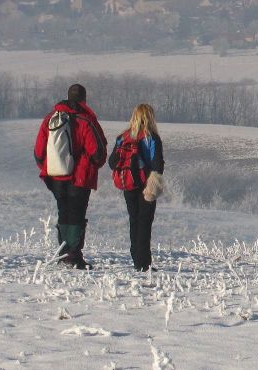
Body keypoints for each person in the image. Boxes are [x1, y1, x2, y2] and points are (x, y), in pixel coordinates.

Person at [33, 83, 107, 269]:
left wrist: (51, 169)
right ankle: (73, 256)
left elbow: (39, 151)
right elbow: (98, 152)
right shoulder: (85, 120)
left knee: (63, 213)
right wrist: (86, 166)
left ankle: (63, 253)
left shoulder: (51, 119)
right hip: (79, 178)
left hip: (55, 177)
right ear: (83, 99)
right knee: (77, 215)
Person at [108, 103, 165, 272]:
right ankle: (143, 263)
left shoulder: (122, 137)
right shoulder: (152, 138)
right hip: (146, 185)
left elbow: (112, 163)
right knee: (145, 222)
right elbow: (157, 165)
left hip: (128, 184)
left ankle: (136, 259)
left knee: (134, 220)